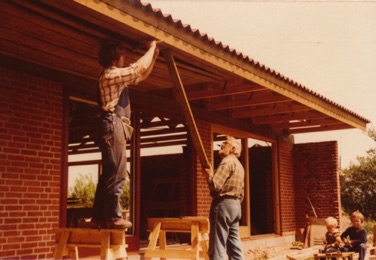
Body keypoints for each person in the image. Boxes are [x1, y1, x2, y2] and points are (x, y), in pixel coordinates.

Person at [91, 38, 159, 229]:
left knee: (109, 173)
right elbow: (136, 69)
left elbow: (141, 75)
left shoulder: (116, 78)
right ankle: (113, 217)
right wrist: (151, 47)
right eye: (121, 55)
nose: (124, 58)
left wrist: (152, 58)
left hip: (114, 124)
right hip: (113, 123)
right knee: (118, 172)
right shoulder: (110, 75)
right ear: (114, 59)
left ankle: (98, 216)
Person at [202, 136, 245, 260]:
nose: (221, 145)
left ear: (232, 149)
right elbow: (241, 192)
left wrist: (209, 175)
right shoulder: (240, 166)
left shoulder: (227, 161)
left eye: (225, 143)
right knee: (234, 245)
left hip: (223, 204)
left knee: (217, 246)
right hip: (236, 206)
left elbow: (216, 185)